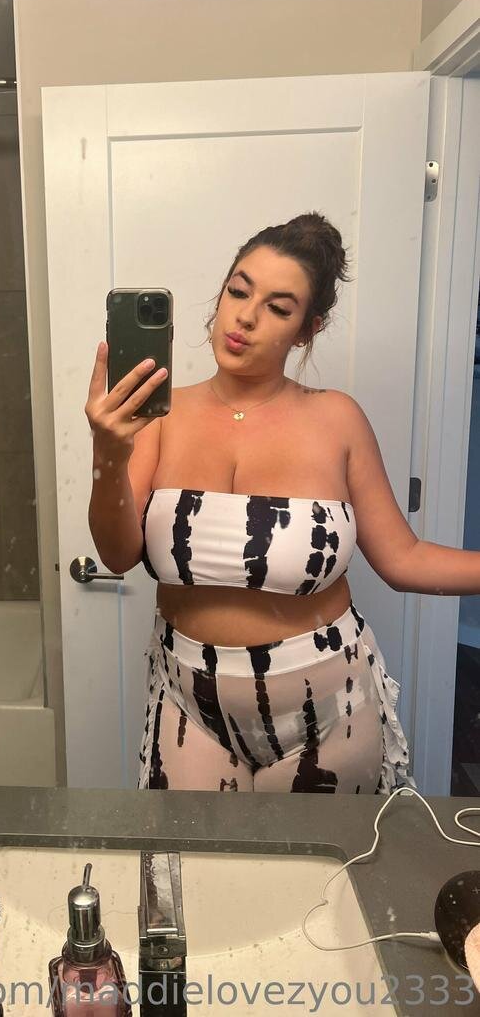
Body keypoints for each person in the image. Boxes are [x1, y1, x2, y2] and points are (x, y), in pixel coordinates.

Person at [85, 211, 466, 795]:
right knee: (192, 854)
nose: (245, 317)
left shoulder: (337, 419)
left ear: (308, 329)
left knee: (315, 859)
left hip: (328, 711)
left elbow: (403, 558)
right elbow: (116, 554)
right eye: (239, 291)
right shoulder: (159, 416)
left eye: (279, 308)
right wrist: (109, 452)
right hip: (189, 704)